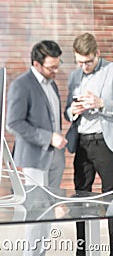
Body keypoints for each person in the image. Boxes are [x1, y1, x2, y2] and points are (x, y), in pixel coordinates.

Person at [6, 40, 66, 256]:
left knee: (48, 212)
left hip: (55, 159)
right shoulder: (21, 85)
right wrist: (49, 137)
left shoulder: (52, 84)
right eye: (52, 67)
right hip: (34, 159)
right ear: (37, 64)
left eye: (58, 65)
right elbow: (13, 123)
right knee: (36, 213)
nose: (56, 71)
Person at [64, 32, 113, 256]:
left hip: (105, 142)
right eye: (80, 62)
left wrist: (102, 103)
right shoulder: (74, 77)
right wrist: (72, 111)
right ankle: (82, 250)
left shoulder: (111, 71)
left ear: (97, 54)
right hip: (82, 143)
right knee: (81, 197)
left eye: (88, 62)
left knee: (111, 199)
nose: (84, 66)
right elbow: (67, 111)